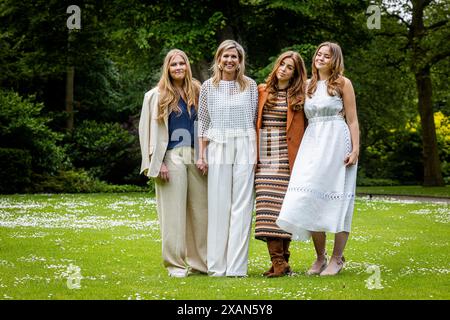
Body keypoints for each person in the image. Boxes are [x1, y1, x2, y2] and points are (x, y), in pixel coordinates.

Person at [276, 42, 359, 276]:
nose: (321, 58)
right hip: (312, 142)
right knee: (310, 196)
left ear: (335, 60)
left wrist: (355, 149)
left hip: (337, 140)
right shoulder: (307, 85)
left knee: (339, 199)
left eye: (327, 56)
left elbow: (352, 119)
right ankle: (320, 257)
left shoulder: (343, 83)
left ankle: (336, 258)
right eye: (319, 54)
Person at [139, 49, 208, 278]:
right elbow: (146, 131)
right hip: (170, 157)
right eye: (173, 64)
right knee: (173, 214)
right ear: (167, 68)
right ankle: (175, 265)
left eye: (182, 63)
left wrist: (204, 155)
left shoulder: (198, 91)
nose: (178, 67)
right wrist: (155, 163)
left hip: (195, 156)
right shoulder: (155, 95)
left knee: (200, 212)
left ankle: (200, 264)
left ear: (187, 66)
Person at [197, 40, 258, 277]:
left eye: (235, 57)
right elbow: (203, 121)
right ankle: (217, 267)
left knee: (242, 207)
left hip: (245, 144)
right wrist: (201, 155)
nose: (230, 61)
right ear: (218, 59)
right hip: (218, 146)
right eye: (226, 56)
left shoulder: (250, 86)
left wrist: (256, 152)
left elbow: (254, 120)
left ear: (240, 61)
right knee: (219, 206)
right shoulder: (207, 87)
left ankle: (236, 268)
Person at [254, 51, 308, 277]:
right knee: (267, 207)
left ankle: (282, 262)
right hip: (265, 156)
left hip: (289, 158)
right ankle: (278, 261)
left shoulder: (301, 97)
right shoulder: (261, 91)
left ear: (296, 74)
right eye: (282, 65)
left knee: (285, 210)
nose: (284, 69)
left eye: (290, 67)